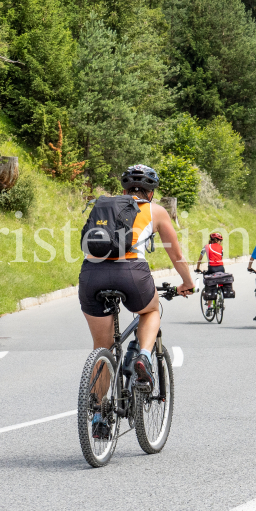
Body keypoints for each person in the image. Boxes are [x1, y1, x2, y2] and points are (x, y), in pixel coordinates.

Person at [78, 165, 194, 437]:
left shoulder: (103, 205)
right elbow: (176, 255)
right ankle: (143, 356)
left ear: (123, 190)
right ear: (151, 192)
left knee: (101, 347)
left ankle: (98, 416)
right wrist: (187, 283)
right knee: (151, 311)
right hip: (131, 274)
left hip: (91, 275)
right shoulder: (156, 211)